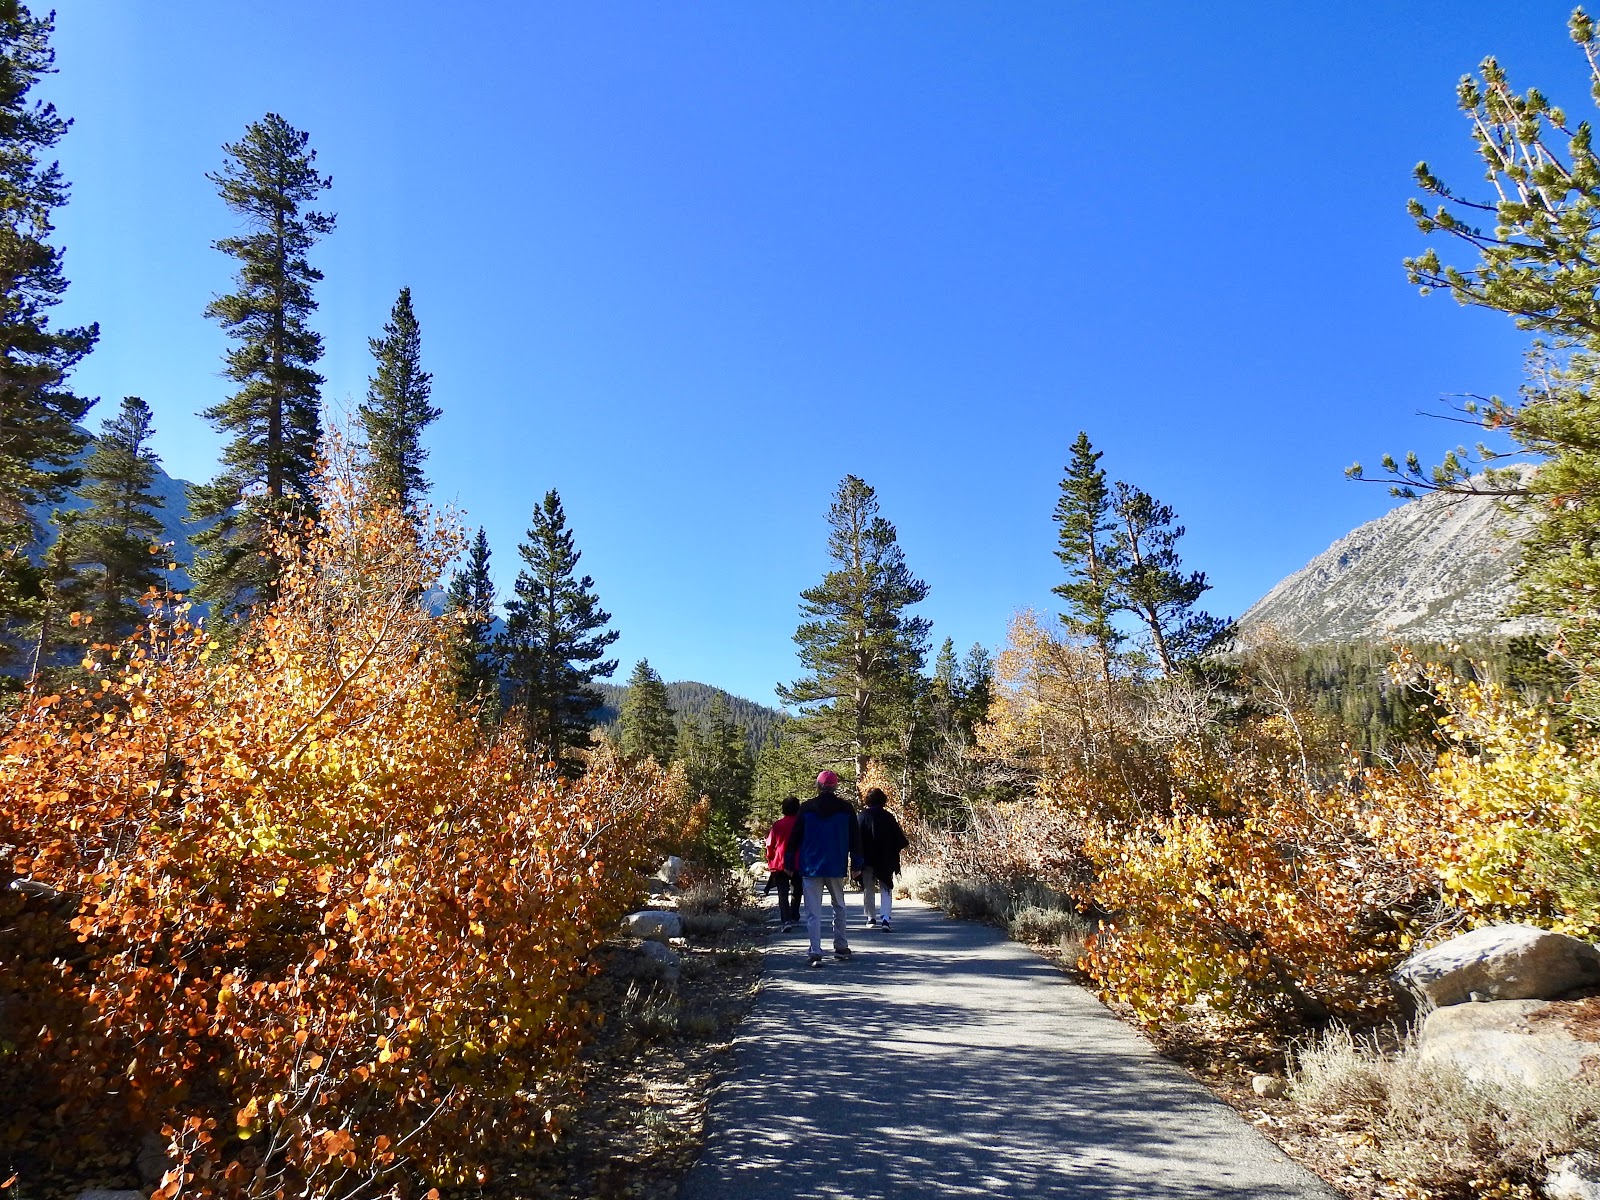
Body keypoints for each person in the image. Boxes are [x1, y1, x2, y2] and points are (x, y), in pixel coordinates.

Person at [784, 769, 862, 968]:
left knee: (813, 911)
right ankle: (841, 946)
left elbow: (795, 837)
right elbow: (855, 838)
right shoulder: (846, 809)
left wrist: (789, 863)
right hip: (836, 864)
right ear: (835, 786)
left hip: (811, 866)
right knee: (839, 907)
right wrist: (857, 863)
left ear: (818, 786)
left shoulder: (807, 808)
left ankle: (815, 950)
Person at [857, 787, 910, 930]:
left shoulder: (862, 816)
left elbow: (856, 840)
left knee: (868, 888)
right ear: (883, 800)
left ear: (868, 800)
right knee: (886, 887)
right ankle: (885, 918)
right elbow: (899, 840)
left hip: (867, 860)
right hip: (885, 859)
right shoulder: (888, 816)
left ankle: (870, 918)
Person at [763, 796, 803, 930]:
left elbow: (769, 844)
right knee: (797, 890)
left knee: (782, 892)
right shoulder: (802, 824)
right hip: (799, 862)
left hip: (780, 862)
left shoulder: (778, 825)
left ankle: (786, 920)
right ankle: (794, 915)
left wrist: (770, 857)